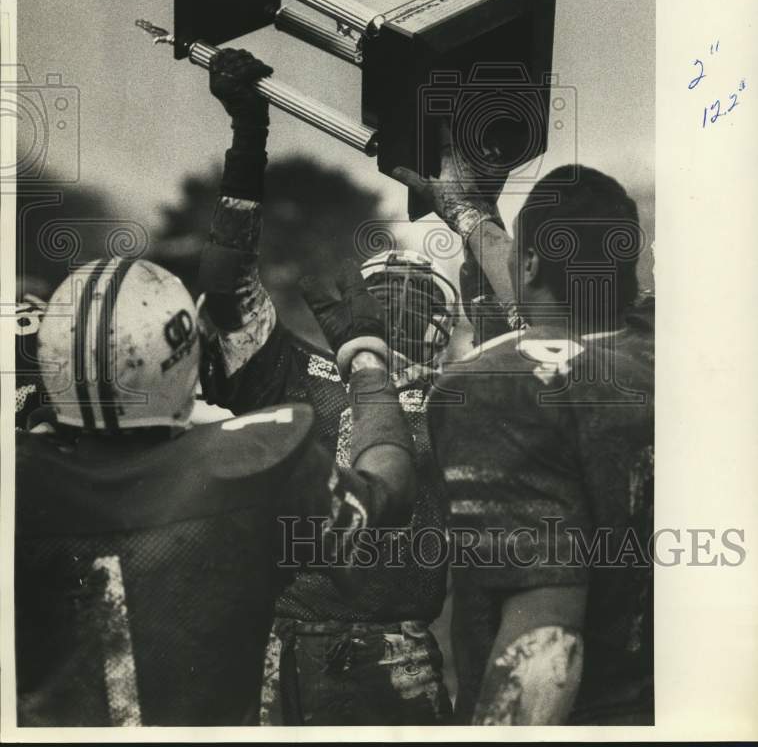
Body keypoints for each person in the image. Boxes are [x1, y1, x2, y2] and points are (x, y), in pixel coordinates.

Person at [15, 255, 415, 727]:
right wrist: (365, 359)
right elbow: (388, 493)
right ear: (182, 356)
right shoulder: (256, 461)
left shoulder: (21, 480)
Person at [198, 48, 457, 725]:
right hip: (285, 648)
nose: (404, 307)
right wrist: (248, 142)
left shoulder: (467, 397)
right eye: (387, 295)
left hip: (390, 652)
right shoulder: (303, 370)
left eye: (420, 297)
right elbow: (228, 293)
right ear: (359, 310)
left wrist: (466, 205)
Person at [395, 152, 654, 725]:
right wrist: (467, 214)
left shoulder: (499, 386)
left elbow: (544, 648)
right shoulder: (665, 349)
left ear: (531, 263)